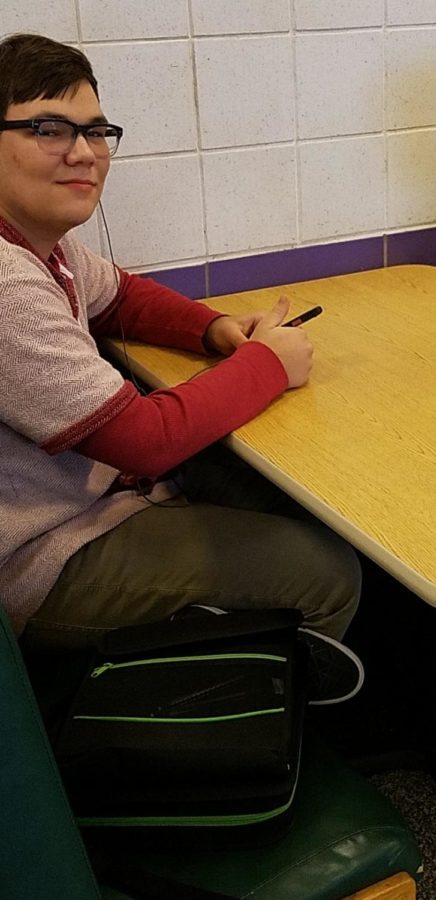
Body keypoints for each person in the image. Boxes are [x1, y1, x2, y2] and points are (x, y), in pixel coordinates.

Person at [0, 33, 362, 701]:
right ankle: (248, 752)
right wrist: (267, 366)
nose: (84, 153)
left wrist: (216, 330)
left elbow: (121, 296)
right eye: (48, 129)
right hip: (40, 561)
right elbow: (143, 438)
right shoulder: (6, 284)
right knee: (326, 570)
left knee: (303, 502)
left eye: (96, 130)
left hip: (93, 503)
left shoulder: (40, 245)